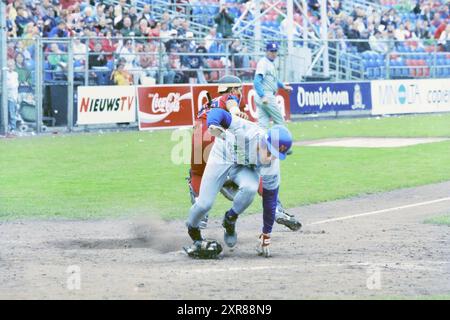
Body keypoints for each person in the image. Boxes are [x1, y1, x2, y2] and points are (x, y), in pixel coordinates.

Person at [187, 75, 300, 230]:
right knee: (251, 165)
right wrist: (235, 111)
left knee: (197, 174)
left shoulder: (209, 103)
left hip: (198, 136)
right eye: (239, 89)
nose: (240, 92)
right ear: (234, 88)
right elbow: (231, 101)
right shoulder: (232, 96)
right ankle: (276, 208)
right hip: (215, 135)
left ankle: (201, 215)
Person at [184, 107, 293, 259]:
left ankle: (230, 220)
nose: (269, 158)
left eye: (275, 155)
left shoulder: (271, 166)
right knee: (204, 204)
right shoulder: (248, 132)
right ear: (263, 141)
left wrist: (266, 235)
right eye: (269, 151)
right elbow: (219, 113)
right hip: (222, 156)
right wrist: (213, 124)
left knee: (250, 188)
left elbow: (270, 201)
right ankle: (194, 233)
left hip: (243, 167)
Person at [253, 42, 292, 130]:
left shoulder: (270, 63)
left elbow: (274, 80)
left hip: (265, 95)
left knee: (262, 123)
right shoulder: (263, 63)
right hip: (266, 95)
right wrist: (263, 96)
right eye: (271, 51)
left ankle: (259, 142)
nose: (273, 53)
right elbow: (256, 81)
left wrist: (283, 86)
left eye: (275, 51)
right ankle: (277, 143)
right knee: (279, 120)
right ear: (267, 51)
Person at [6, 59, 19, 134]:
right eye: (9, 65)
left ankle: (13, 128)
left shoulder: (15, 74)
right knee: (5, 112)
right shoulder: (5, 73)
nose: (10, 67)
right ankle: (6, 127)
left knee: (12, 112)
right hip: (5, 96)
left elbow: (14, 85)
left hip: (12, 96)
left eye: (12, 65)